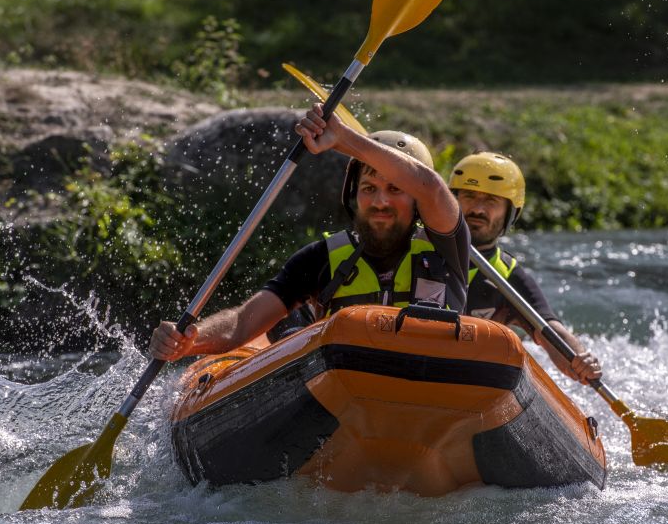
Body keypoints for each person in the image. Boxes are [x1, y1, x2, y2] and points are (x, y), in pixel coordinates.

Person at [150, 103, 470, 361]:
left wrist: (345, 140)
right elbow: (240, 324)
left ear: (417, 200)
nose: (380, 201)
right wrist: (188, 340)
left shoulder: (446, 247)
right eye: (369, 188)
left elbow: (431, 188)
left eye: (396, 189)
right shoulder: (323, 259)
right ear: (352, 195)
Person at [448, 152, 602, 385]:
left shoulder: (509, 276)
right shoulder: (416, 248)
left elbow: (550, 329)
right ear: (452, 200)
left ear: (511, 212)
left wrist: (580, 359)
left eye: (491, 200)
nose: (477, 209)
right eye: (469, 196)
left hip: (467, 382)